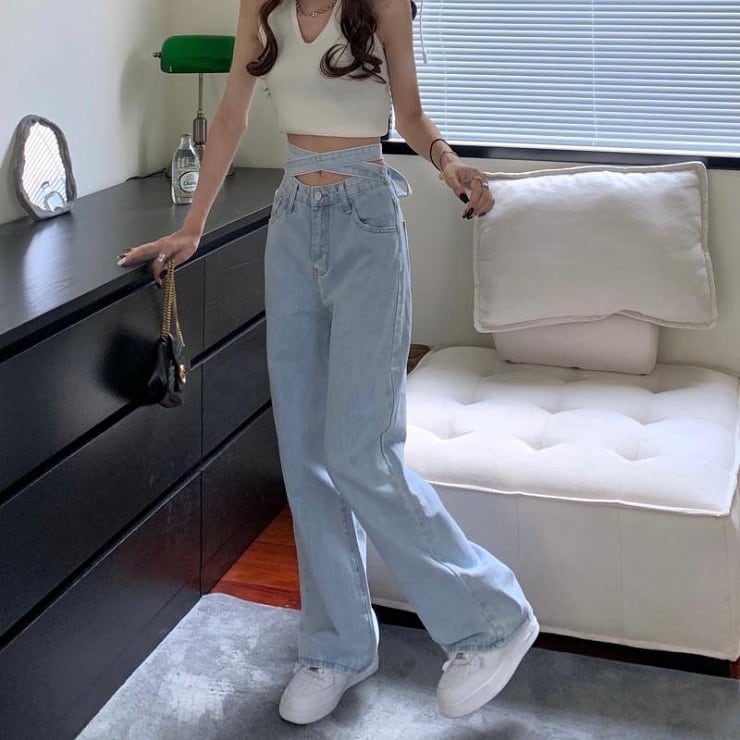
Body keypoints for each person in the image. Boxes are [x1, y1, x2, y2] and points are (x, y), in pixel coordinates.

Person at [118, 0, 538, 726]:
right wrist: (192, 226)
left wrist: (450, 165)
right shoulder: (263, 6)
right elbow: (230, 115)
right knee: (305, 452)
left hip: (366, 219)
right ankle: (337, 648)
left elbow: (410, 117)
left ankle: (491, 620)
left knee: (361, 450)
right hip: (291, 222)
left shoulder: (382, 7)